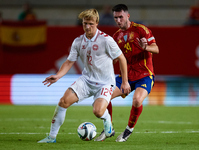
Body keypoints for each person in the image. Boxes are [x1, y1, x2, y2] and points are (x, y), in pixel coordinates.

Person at [37, 8, 131, 143]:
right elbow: (69, 62)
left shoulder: (106, 40)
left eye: (90, 24)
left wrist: (125, 82)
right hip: (86, 80)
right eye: (85, 23)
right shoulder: (78, 41)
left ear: (97, 23)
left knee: (98, 112)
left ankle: (107, 121)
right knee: (63, 102)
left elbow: (122, 59)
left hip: (105, 83)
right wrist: (58, 76)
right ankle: (51, 137)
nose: (87, 27)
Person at [94, 4, 159, 142]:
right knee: (104, 96)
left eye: (120, 17)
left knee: (136, 100)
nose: (118, 20)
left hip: (144, 75)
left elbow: (156, 49)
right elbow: (115, 58)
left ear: (127, 16)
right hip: (125, 77)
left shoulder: (141, 30)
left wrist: (145, 46)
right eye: (115, 18)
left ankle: (128, 130)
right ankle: (108, 128)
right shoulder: (116, 36)